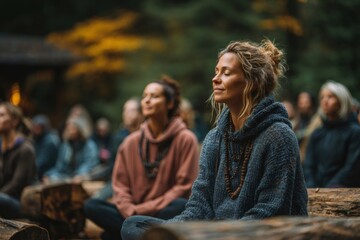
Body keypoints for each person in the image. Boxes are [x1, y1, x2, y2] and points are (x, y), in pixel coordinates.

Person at [121, 39, 308, 240]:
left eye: (226, 73)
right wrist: (170, 232)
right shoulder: (214, 138)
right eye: (216, 72)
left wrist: (216, 235)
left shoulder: (278, 136)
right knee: (134, 226)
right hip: (210, 233)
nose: (215, 79)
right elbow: (199, 206)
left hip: (256, 235)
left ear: (252, 81)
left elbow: (269, 213)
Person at [84, 76, 200, 240]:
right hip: (131, 211)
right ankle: (134, 231)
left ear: (170, 103)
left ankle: (124, 232)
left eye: (154, 96)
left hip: (163, 211)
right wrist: (130, 210)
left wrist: (141, 211)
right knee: (91, 206)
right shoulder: (130, 142)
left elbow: (184, 186)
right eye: (145, 96)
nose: (147, 100)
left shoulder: (186, 139)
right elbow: (120, 186)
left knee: (181, 205)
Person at [303, 81, 360, 187]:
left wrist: (330, 189)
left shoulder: (355, 132)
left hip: (343, 194)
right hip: (315, 193)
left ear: (342, 101)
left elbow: (351, 168)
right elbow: (308, 166)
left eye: (330, 97)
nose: (325, 101)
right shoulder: (317, 133)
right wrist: (311, 187)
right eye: (322, 97)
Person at [91, 98, 143, 200]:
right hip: (118, 182)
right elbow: (112, 166)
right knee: (94, 201)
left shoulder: (147, 136)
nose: (126, 114)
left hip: (140, 183)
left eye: (131, 110)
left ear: (141, 114)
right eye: (125, 110)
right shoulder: (118, 137)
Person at [0, 102, 36, 219]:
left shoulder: (25, 149)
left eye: (1, 115)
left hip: (21, 204)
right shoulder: (2, 146)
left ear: (15, 121)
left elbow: (16, 186)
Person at [42, 117, 99, 183]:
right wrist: (48, 175)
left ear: (79, 130)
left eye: (73, 128)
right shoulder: (65, 145)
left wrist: (79, 175)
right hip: (67, 176)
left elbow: (90, 163)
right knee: (51, 177)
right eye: (68, 129)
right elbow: (60, 166)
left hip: (83, 176)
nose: (70, 131)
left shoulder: (89, 145)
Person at [31, 114, 61, 179]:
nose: (37, 129)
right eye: (35, 127)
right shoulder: (36, 139)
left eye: (39, 127)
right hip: (40, 172)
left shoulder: (51, 140)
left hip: (49, 172)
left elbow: (43, 162)